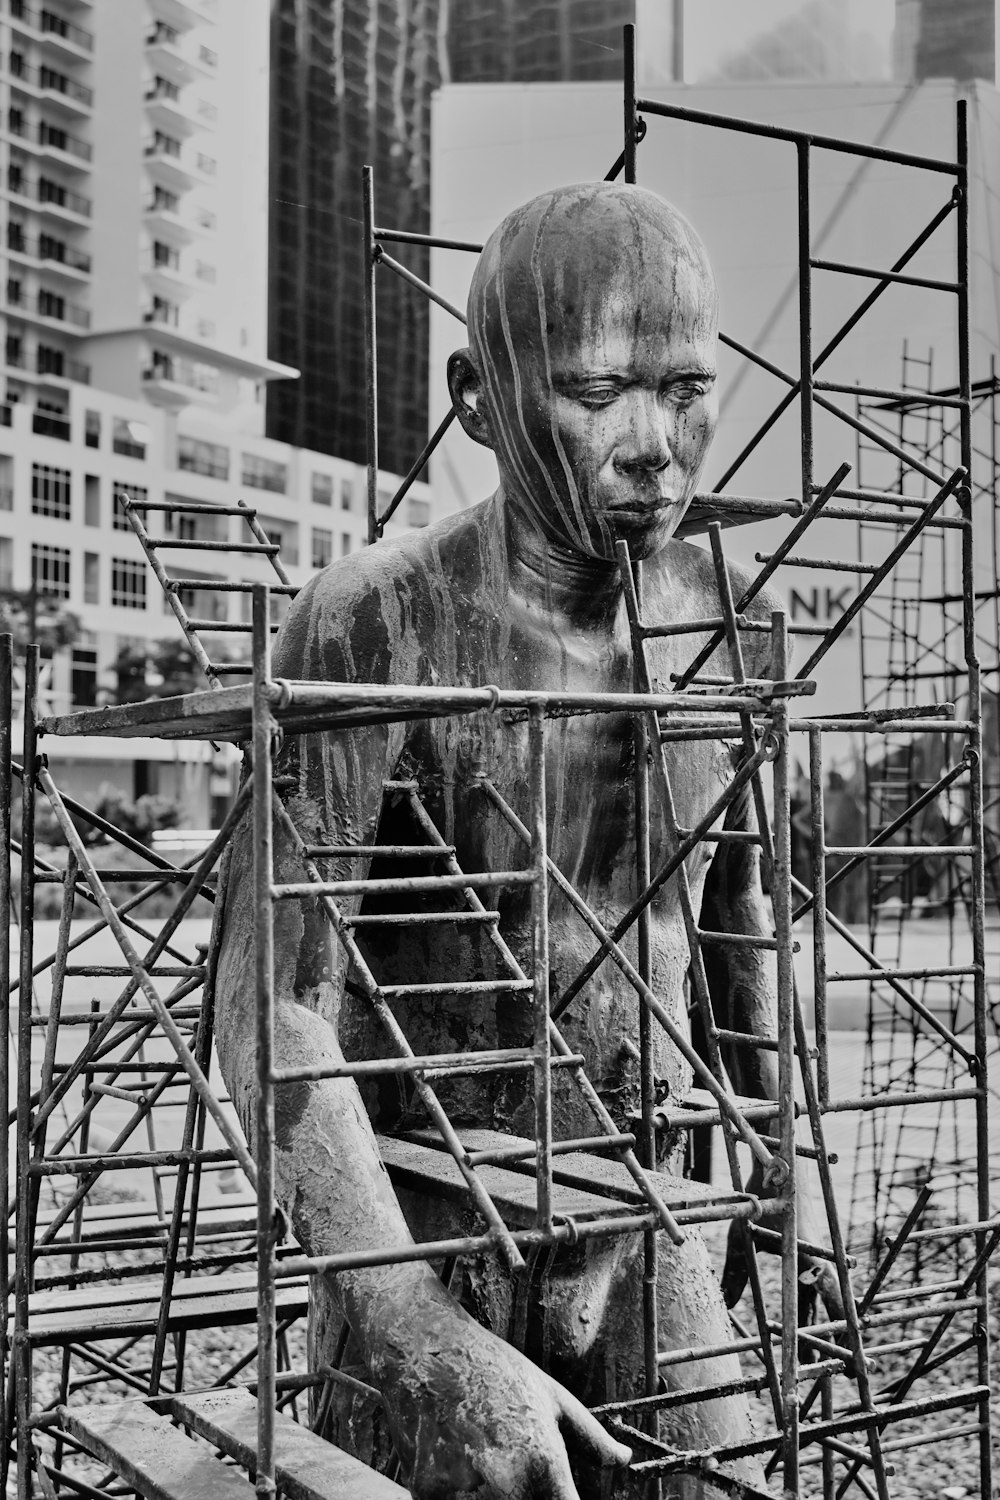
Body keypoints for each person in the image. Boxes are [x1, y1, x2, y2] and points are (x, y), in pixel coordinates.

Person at [215, 181, 837, 1499]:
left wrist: (792, 1151)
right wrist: (412, 1329)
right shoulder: (373, 622)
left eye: (682, 390)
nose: (652, 443)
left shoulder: (738, 625)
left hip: (645, 1210)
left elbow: (734, 909)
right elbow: (268, 1006)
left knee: (719, 1474)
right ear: (480, 395)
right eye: (596, 390)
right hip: (437, 1221)